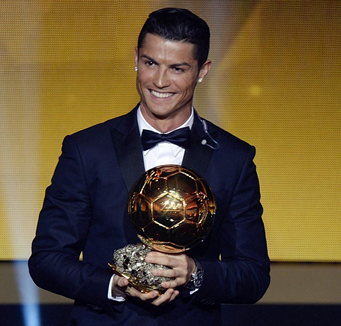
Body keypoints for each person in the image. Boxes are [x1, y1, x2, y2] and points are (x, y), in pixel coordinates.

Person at [29, 7, 270, 325]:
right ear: (136, 58)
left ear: (202, 70)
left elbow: (253, 275)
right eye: (150, 63)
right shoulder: (87, 150)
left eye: (177, 69)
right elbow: (47, 259)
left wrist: (196, 273)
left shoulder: (233, 158)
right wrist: (114, 285)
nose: (159, 81)